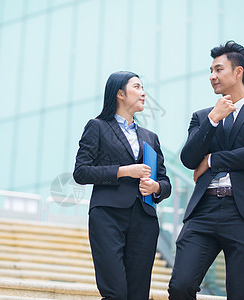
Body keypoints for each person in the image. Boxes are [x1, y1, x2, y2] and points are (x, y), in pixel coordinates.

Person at [168, 41, 244, 300]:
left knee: (241, 294)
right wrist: (213, 120)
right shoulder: (202, 116)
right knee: (180, 285)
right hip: (203, 211)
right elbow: (188, 158)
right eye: (210, 70)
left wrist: (211, 161)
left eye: (218, 69)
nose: (212, 76)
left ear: (238, 71)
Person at [73, 71, 171, 300]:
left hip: (144, 219)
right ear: (119, 93)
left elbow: (165, 182)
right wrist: (124, 171)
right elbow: (80, 172)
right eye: (137, 87)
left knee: (138, 295)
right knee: (115, 292)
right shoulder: (97, 127)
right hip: (107, 216)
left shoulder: (150, 137)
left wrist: (155, 188)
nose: (143, 92)